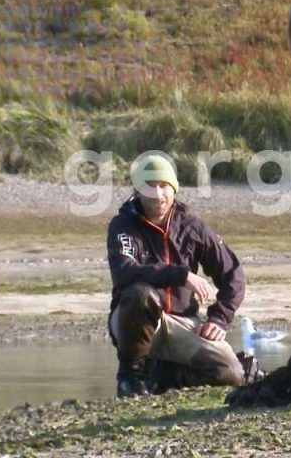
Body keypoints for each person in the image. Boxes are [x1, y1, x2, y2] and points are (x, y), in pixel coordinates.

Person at [106, 154, 255, 397]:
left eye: (163, 186)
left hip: (183, 322)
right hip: (136, 323)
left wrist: (220, 318)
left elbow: (233, 274)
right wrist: (180, 275)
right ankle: (131, 378)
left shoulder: (192, 227)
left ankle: (159, 376)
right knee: (139, 294)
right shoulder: (123, 226)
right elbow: (124, 272)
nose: (157, 194)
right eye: (149, 186)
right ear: (138, 191)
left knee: (231, 374)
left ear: (174, 189)